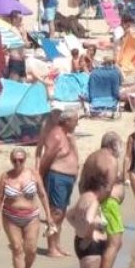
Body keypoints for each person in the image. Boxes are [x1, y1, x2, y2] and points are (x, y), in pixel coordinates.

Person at [0, 147, 52, 268]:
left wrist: (49, 216)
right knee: (17, 248)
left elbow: (43, 195)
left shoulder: (33, 174)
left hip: (31, 216)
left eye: (21, 160)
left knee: (31, 249)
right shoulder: (5, 176)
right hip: (10, 217)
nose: (17, 162)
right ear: (11, 160)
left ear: (25, 160)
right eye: (15, 160)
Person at [81, 131, 125, 268]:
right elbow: (107, 188)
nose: (121, 149)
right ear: (114, 144)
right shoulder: (111, 161)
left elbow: (82, 182)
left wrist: (87, 201)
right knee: (115, 242)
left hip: (92, 201)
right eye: (120, 144)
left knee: (105, 242)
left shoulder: (91, 157)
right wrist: (98, 204)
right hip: (107, 204)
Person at [39, 110, 80, 258]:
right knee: (56, 213)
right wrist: (40, 179)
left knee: (61, 213)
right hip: (56, 178)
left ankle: (57, 245)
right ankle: (51, 247)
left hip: (66, 179)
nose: (77, 123)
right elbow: (46, 159)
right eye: (76, 120)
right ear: (67, 121)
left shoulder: (66, 135)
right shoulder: (56, 136)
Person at [68, 171, 108, 268]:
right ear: (101, 187)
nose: (107, 191)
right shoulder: (94, 201)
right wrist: (89, 236)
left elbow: (69, 215)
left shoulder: (83, 197)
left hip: (81, 243)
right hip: (91, 247)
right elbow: (89, 220)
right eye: (107, 188)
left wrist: (79, 230)